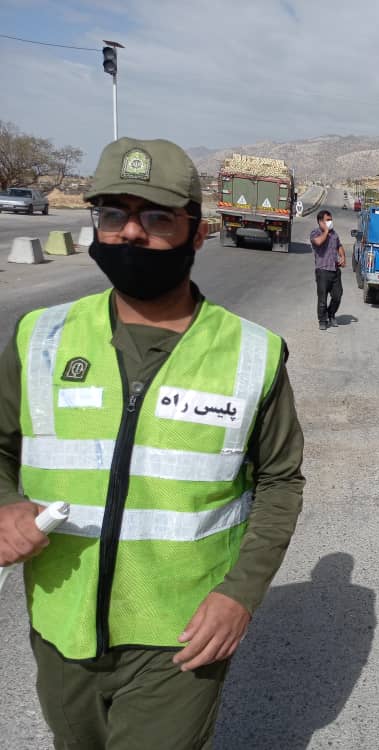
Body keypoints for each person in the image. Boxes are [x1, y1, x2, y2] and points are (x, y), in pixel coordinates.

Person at [0, 137, 305, 749]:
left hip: (181, 635)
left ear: (198, 233)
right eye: (113, 215)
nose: (130, 234)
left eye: (157, 217)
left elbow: (279, 481)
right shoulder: (41, 336)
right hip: (63, 624)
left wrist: (240, 594)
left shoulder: (253, 354)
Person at [310, 209, 346, 330]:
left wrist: (342, 256)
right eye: (327, 220)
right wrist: (325, 231)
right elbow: (318, 242)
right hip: (322, 271)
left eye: (331, 220)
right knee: (322, 299)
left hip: (335, 270)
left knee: (338, 295)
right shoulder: (315, 233)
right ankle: (322, 320)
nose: (330, 222)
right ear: (320, 222)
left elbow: (339, 245)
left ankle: (331, 314)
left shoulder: (334, 234)